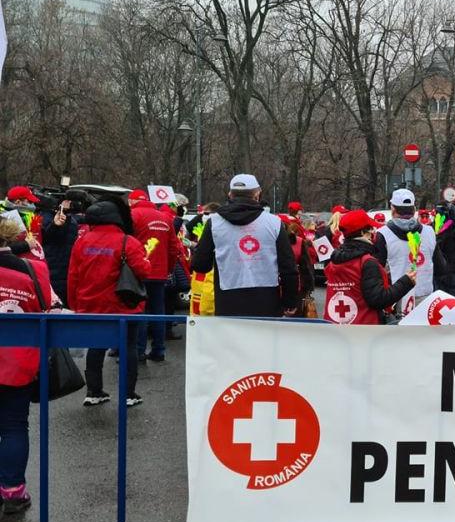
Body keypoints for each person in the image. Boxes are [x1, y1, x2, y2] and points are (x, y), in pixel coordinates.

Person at [69, 199, 152, 407]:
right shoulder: (128, 242)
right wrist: (146, 259)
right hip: (124, 307)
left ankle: (94, 391)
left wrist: (75, 305)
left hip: (90, 306)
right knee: (128, 347)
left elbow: (73, 277)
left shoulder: (82, 242)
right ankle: (128, 394)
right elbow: (144, 271)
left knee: (95, 347)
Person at [191, 174, 300, 318]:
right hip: (266, 301)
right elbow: (288, 266)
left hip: (227, 301)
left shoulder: (214, 223)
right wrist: (290, 301)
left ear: (230, 194)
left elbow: (200, 265)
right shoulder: (274, 223)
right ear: (257, 194)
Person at [0, 216, 47, 514]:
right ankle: (13, 491)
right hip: (17, 362)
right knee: (15, 425)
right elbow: (44, 308)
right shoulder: (31, 269)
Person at [323, 210, 415, 324]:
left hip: (335, 325)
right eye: (370, 228)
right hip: (364, 328)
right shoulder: (367, 263)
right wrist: (406, 282)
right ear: (362, 232)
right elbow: (378, 300)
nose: (373, 231)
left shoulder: (334, 260)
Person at [129, 190, 183, 362]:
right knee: (158, 311)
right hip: (160, 273)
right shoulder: (165, 218)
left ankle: (139, 350)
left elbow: (126, 243)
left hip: (138, 271)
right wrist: (168, 268)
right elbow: (174, 248)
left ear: (132, 201)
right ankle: (159, 350)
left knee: (141, 312)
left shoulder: (132, 215)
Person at [373, 189, 441, 308]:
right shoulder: (429, 232)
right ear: (414, 209)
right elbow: (442, 267)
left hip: (396, 298)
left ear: (393, 209)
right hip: (425, 297)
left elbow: (376, 271)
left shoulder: (382, 234)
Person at [279, 215, 316, 304]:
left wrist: (308, 288)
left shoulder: (299, 242)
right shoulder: (268, 242)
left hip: (296, 287)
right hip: (271, 289)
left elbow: (306, 267)